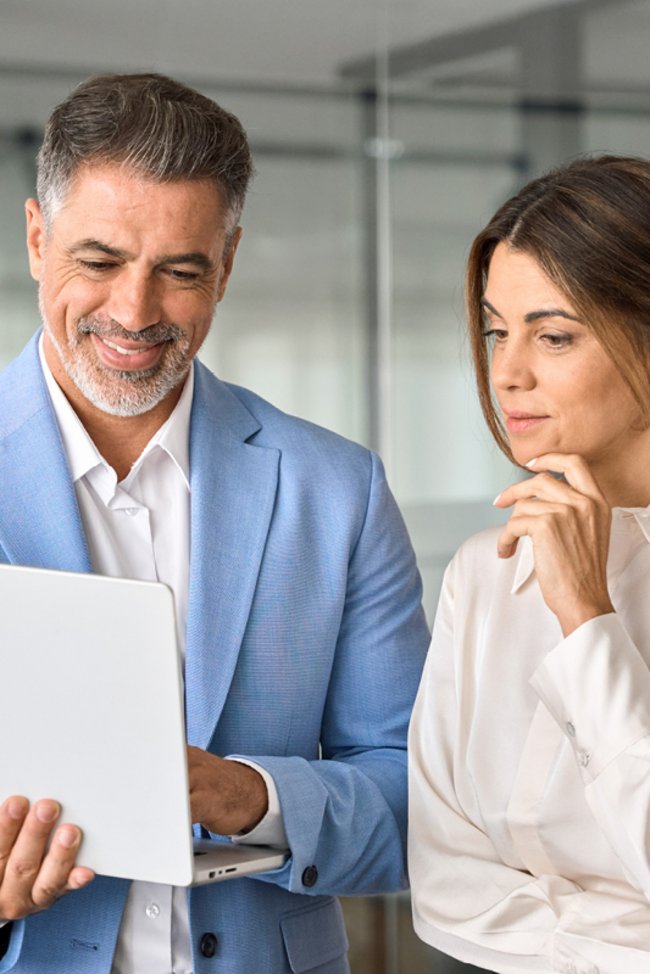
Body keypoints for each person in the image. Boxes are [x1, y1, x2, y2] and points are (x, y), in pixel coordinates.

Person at [0, 73, 430, 974]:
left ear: (227, 264)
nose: (134, 312)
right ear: (37, 238)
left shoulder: (337, 490)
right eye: (101, 260)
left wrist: (256, 796)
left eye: (180, 271)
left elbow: (418, 805)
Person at [409, 155, 650, 974]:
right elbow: (443, 886)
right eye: (494, 329)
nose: (506, 372)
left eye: (553, 335)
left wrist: (588, 616)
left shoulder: (559, 588)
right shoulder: (484, 572)